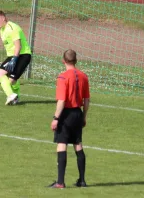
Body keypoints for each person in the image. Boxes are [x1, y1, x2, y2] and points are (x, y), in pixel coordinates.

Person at [49, 49, 90, 189]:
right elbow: (87, 100)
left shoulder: (62, 77)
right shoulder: (84, 76)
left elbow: (61, 101)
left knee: (62, 144)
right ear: (76, 60)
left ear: (63, 60)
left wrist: (55, 118)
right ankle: (82, 181)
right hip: (78, 114)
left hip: (66, 115)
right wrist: (84, 117)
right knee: (78, 144)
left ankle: (60, 182)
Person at [0, 10, 32, 105]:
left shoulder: (12, 27)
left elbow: (18, 46)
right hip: (13, 56)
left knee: (2, 75)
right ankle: (14, 97)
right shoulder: (2, 30)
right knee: (11, 80)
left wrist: (14, 59)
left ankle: (11, 95)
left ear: (3, 17)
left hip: (23, 55)